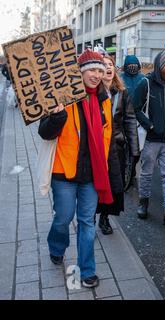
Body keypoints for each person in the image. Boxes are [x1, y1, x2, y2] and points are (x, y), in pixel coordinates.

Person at [37, 49, 117, 288]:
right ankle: (57, 246)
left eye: (101, 71)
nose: (96, 75)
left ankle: (87, 270)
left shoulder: (104, 100)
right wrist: (57, 116)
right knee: (63, 217)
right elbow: (45, 132)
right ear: (80, 72)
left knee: (87, 222)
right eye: (92, 70)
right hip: (64, 171)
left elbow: (107, 136)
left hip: (92, 174)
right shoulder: (62, 96)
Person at [132, 50, 165, 226]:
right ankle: (143, 202)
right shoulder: (145, 83)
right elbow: (135, 108)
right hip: (151, 140)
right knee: (146, 174)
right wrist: (149, 125)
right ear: (160, 65)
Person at [96, 55, 139, 235]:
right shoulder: (92, 92)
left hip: (116, 146)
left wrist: (135, 149)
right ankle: (89, 216)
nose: (108, 68)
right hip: (97, 145)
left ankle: (105, 217)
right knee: (95, 183)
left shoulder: (122, 92)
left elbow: (129, 119)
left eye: (111, 65)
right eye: (104, 65)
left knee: (114, 184)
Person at [120, 55, 145, 183]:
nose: (132, 68)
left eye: (135, 65)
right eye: (130, 65)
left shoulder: (143, 79)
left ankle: (132, 167)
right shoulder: (120, 79)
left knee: (137, 146)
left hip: (138, 118)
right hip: (123, 117)